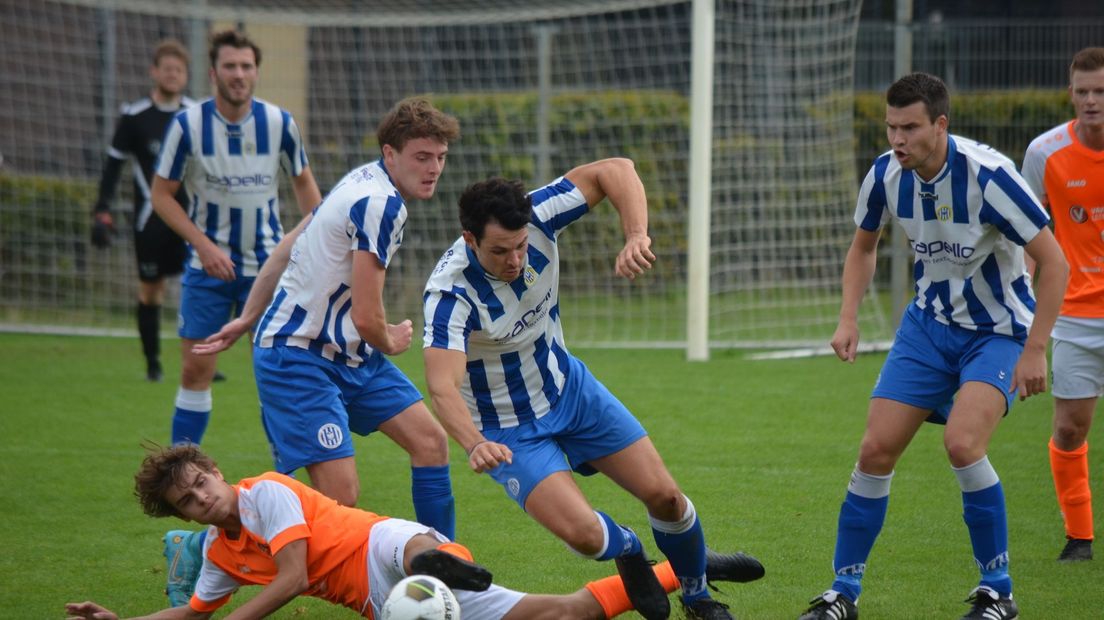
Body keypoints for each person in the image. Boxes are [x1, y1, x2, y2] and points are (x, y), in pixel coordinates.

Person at [421, 159, 761, 620]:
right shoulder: (450, 295)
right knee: (585, 536)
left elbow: (615, 170)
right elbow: (442, 386)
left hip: (570, 392)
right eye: (500, 251)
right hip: (508, 431)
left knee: (666, 497)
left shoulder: (540, 215)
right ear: (470, 240)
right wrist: (474, 443)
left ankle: (698, 597)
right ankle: (630, 548)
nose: (516, 260)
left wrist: (636, 234)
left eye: (520, 247)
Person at [797, 72, 1068, 620]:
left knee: (964, 445)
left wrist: (1037, 348)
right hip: (927, 328)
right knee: (874, 452)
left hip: (997, 333)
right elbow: (862, 247)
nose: (898, 139)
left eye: (911, 127)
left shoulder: (989, 178)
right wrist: (847, 317)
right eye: (892, 126)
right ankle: (842, 595)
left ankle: (998, 590)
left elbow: (1057, 262)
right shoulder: (884, 174)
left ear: (940, 125)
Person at [194, 97, 459, 533]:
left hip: (348, 355)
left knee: (430, 443)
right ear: (390, 154)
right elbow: (368, 318)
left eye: (440, 158)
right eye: (422, 157)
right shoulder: (380, 204)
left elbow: (287, 248)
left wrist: (247, 317)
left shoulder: (360, 179)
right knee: (340, 498)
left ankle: (445, 568)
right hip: (297, 357)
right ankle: (204, 550)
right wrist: (391, 339)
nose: (433, 168)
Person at [64, 445, 716, 620]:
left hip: (379, 543)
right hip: (379, 602)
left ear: (216, 472)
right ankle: (692, 572)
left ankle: (441, 566)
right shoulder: (219, 554)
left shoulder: (266, 492)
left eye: (201, 483)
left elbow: (291, 577)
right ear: (186, 518)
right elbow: (192, 612)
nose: (202, 498)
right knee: (568, 613)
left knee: (413, 549)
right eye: (189, 502)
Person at [150, 29, 321, 448]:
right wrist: (203, 246)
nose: (239, 74)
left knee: (277, 373)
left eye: (246, 66)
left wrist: (318, 243)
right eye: (230, 66)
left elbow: (304, 185)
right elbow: (161, 195)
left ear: (256, 72)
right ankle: (181, 473)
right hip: (206, 270)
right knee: (194, 370)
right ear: (214, 72)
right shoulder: (187, 126)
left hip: (270, 267)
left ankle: (288, 471)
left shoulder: (280, 123)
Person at [1021, 46, 1104, 563]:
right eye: (1084, 91)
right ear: (1070, 92)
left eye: (1102, 92)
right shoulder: (1044, 152)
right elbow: (1024, 234)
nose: (1092, 101)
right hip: (1074, 316)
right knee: (1070, 428)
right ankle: (1079, 536)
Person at [90, 40, 196, 382]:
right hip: (149, 218)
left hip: (193, 218)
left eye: (179, 70)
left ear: (185, 76)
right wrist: (102, 208)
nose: (173, 74)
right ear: (155, 72)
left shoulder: (196, 115)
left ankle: (198, 361)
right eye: (167, 69)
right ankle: (153, 363)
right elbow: (113, 166)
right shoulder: (134, 117)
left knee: (198, 286)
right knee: (152, 290)